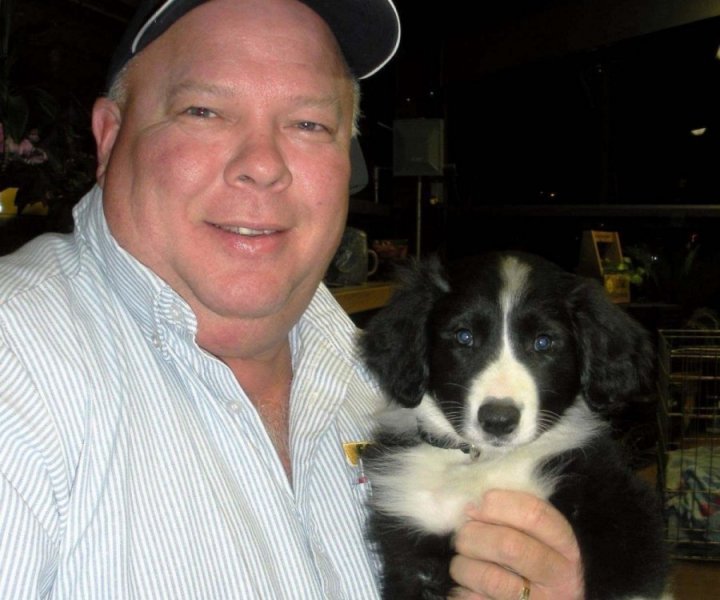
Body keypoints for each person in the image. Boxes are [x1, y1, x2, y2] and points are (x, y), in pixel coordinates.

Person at [0, 0, 585, 598]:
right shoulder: (15, 364)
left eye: (309, 124)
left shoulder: (387, 369)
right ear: (110, 137)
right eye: (203, 111)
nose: (262, 165)